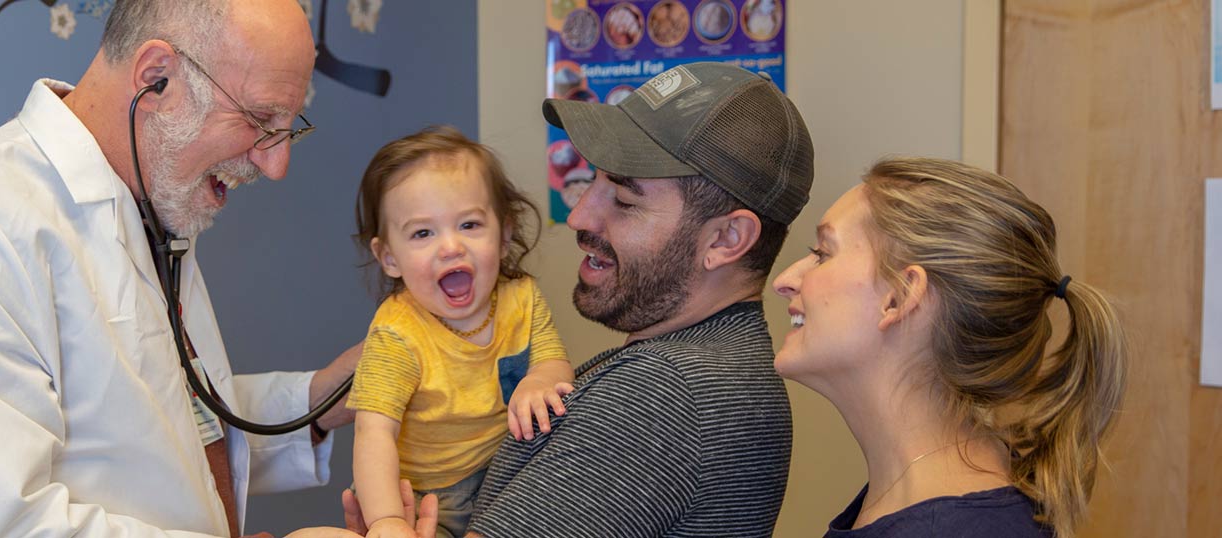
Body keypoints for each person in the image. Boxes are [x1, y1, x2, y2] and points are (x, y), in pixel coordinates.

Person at [0, 1, 421, 536]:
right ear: (155, 77)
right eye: (259, 120)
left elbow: (167, 422)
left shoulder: (153, 209)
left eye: (287, 129)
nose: (275, 165)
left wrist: (323, 399)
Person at [341, 62, 812, 536]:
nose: (580, 215)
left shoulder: (665, 393)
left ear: (726, 238)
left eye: (625, 201)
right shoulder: (731, 364)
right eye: (593, 183)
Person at [770, 157, 1127, 538]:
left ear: (901, 296)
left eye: (823, 252)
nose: (785, 280)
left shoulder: (952, 525)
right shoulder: (933, 500)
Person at [345, 127, 574, 538]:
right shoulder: (397, 333)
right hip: (425, 498)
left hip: (506, 472)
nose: (450, 247)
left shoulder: (521, 297)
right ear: (390, 257)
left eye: (469, 224)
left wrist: (541, 380)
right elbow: (374, 431)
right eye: (422, 233)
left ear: (503, 236)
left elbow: (553, 360)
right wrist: (387, 520)